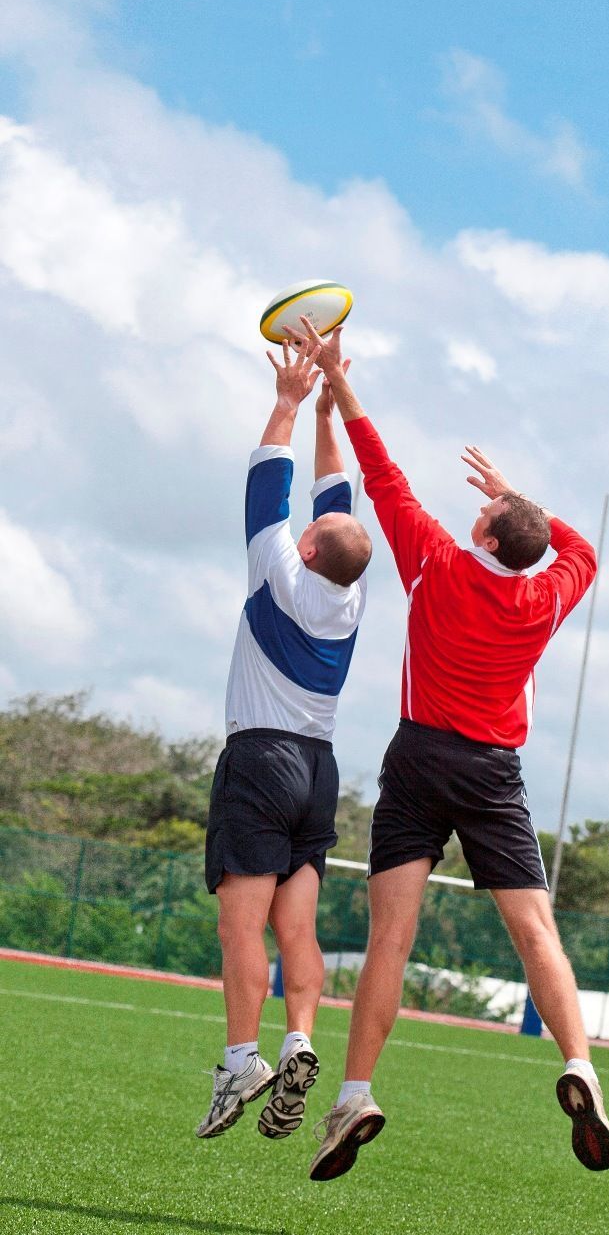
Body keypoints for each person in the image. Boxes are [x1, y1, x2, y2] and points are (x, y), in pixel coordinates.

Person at [295, 320, 609, 1181]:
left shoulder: (436, 560)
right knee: (533, 929)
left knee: (391, 935)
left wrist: (337, 378)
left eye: (483, 511)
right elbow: (578, 547)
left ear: (482, 536)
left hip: (420, 761)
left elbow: (379, 466)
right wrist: (523, 502)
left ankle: (356, 1091)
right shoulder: (547, 597)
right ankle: (580, 1063)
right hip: (493, 771)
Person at [196, 338, 372, 1144]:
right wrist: (333, 406)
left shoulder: (278, 564)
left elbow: (269, 476)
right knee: (294, 927)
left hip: (261, 759)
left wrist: (293, 399)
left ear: (308, 547)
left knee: (241, 922)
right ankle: (301, 1040)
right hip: (319, 768)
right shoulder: (350, 593)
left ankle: (242, 1058)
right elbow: (335, 497)